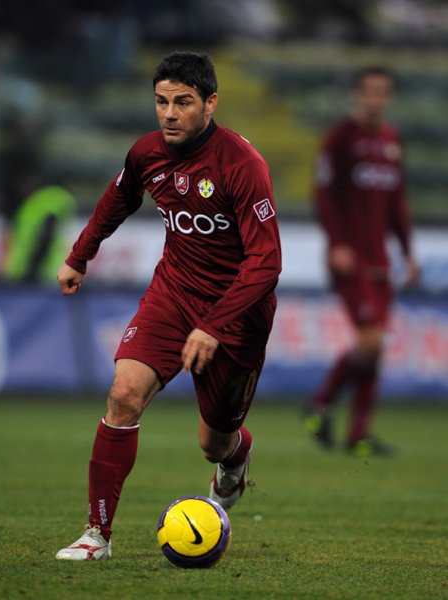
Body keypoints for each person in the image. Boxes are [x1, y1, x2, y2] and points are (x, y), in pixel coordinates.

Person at [55, 51, 281, 560]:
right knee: (123, 395)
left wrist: (214, 325)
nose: (170, 114)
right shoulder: (146, 153)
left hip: (238, 315)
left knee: (213, 443)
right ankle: (96, 535)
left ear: (210, 103)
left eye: (183, 102)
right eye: (161, 102)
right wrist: (79, 256)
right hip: (173, 295)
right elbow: (118, 199)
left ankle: (235, 457)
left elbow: (267, 264)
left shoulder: (242, 166)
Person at [304, 66, 418, 457]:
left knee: (376, 346)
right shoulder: (341, 138)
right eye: (369, 90)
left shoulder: (391, 140)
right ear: (358, 94)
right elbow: (323, 195)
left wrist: (408, 252)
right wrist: (337, 243)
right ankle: (321, 400)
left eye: (382, 91)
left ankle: (358, 432)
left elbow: (397, 204)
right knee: (370, 340)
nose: (375, 98)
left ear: (389, 97)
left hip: (380, 259)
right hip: (350, 258)